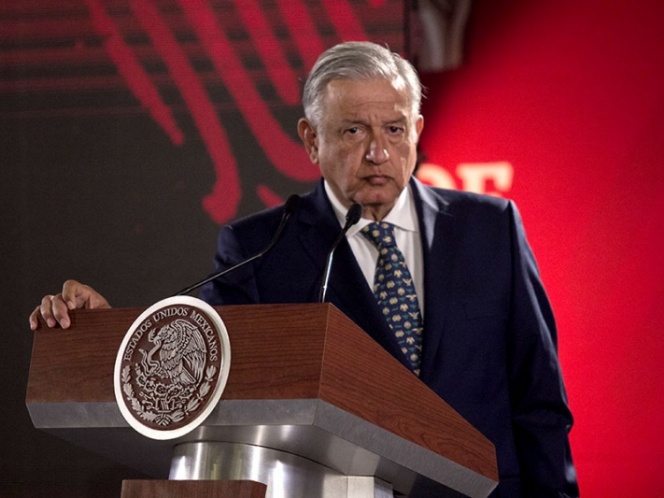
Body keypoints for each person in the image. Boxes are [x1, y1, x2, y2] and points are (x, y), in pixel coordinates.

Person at [30, 41, 578, 497]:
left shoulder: (490, 228)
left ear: (416, 129)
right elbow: (200, 375)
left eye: (393, 130)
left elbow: (539, 402)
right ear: (312, 139)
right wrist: (104, 336)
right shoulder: (260, 247)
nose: (378, 153)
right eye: (353, 131)